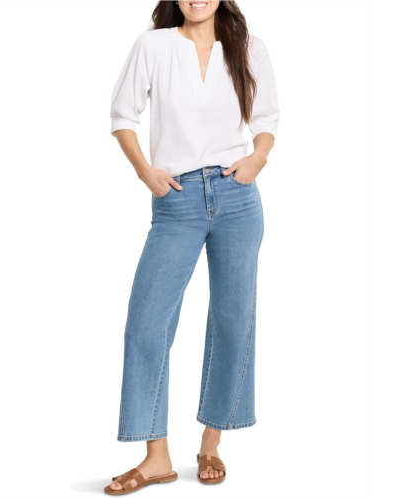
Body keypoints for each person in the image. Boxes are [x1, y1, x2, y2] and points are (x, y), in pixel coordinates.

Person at [105, 0, 280, 494]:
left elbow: (267, 117)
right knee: (146, 324)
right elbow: (122, 115)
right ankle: (156, 456)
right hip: (176, 199)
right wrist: (145, 172)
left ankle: (211, 441)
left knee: (233, 320)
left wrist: (257, 159)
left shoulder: (249, 48)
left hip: (237, 196)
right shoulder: (153, 46)